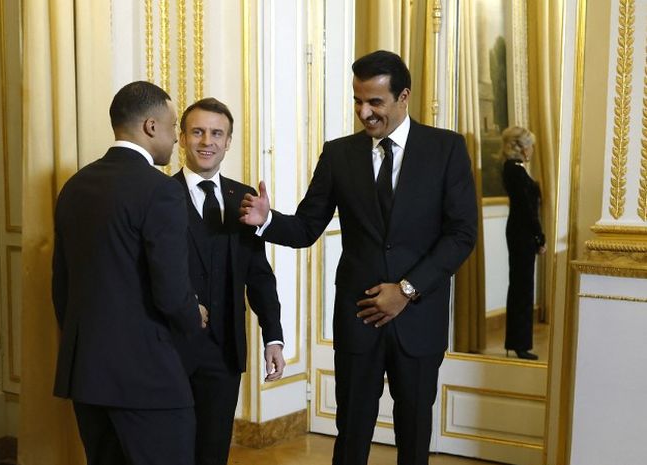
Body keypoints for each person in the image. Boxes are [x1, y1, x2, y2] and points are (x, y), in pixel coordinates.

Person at [240, 50, 477, 465]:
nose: (364, 113)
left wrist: (406, 290)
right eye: (357, 101)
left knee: (415, 431)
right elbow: (306, 228)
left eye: (375, 102)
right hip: (358, 319)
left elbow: (461, 236)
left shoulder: (446, 149)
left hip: (419, 319)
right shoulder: (338, 154)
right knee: (351, 431)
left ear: (403, 96)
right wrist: (267, 221)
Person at [52, 81, 203, 465]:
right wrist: (193, 316)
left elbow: (62, 288)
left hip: (86, 372)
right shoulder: (160, 190)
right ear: (150, 127)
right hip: (146, 376)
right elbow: (170, 291)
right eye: (172, 128)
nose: (176, 140)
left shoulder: (74, 186)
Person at [172, 97, 285, 465]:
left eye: (217, 133)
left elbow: (259, 276)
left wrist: (273, 336)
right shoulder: (159, 196)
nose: (208, 141)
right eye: (198, 131)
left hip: (224, 352)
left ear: (229, 141)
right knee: (169, 450)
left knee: (213, 451)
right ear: (182, 137)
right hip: (170, 350)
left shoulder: (244, 199)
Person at [500, 126, 545, 361]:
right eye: (530, 145)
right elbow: (528, 210)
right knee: (523, 289)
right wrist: (540, 236)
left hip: (519, 232)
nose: (532, 150)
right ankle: (519, 344)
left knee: (520, 287)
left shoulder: (514, 169)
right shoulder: (515, 171)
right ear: (522, 147)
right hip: (522, 234)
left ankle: (517, 343)